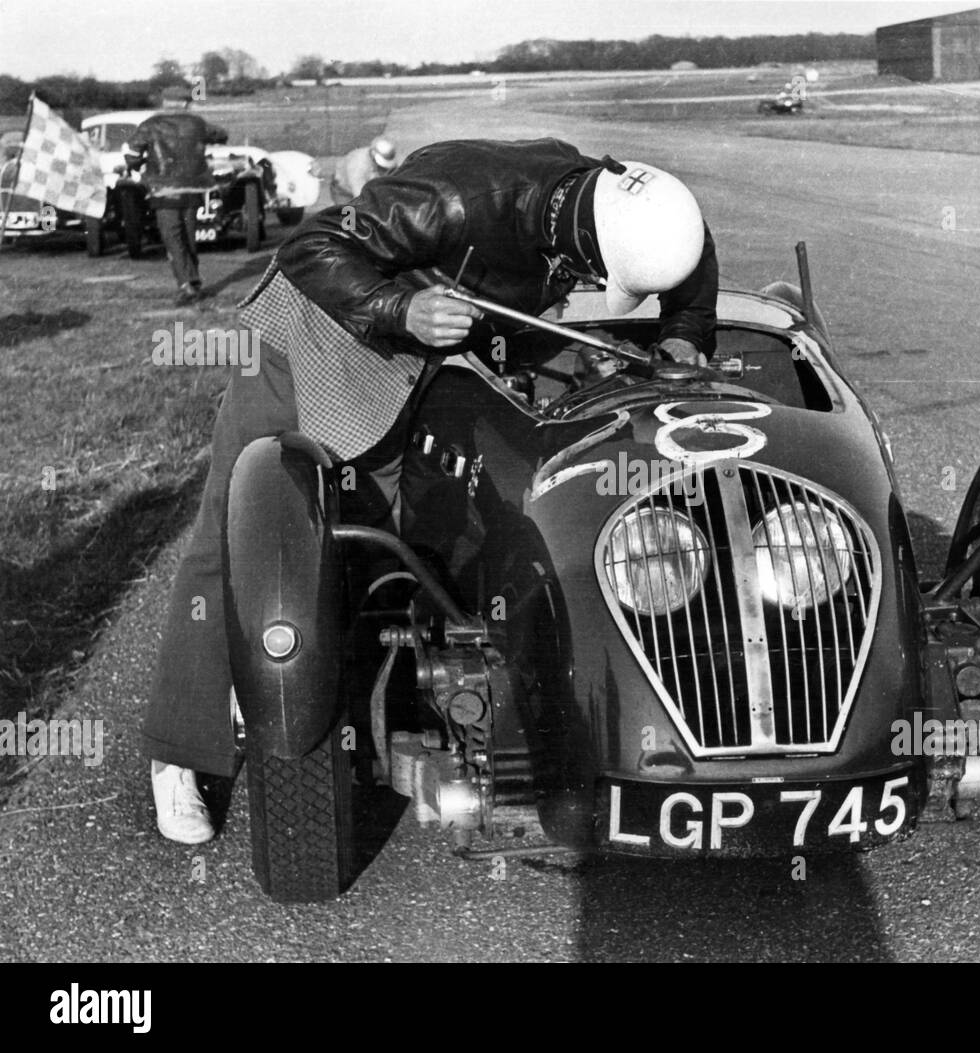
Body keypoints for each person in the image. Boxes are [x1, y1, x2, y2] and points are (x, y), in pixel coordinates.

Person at [143, 137, 718, 843]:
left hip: (418, 363)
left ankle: (348, 711)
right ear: (583, 241)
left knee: (381, 536)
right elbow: (310, 246)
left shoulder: (634, 202)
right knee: (237, 531)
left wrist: (687, 330)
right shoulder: (454, 196)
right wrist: (400, 310)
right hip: (312, 339)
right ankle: (179, 754)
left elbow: (688, 248)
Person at [125, 111, 225, 305]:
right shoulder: (197, 122)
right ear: (185, 102)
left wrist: (140, 166)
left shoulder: (150, 124)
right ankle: (194, 282)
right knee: (188, 236)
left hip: (164, 189)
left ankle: (186, 284)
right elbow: (221, 135)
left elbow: (132, 154)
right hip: (193, 188)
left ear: (165, 102)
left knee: (172, 237)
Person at [329, 136, 398, 204]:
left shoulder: (384, 158)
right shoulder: (357, 165)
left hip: (369, 187)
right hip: (344, 191)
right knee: (350, 213)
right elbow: (360, 197)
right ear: (373, 153)